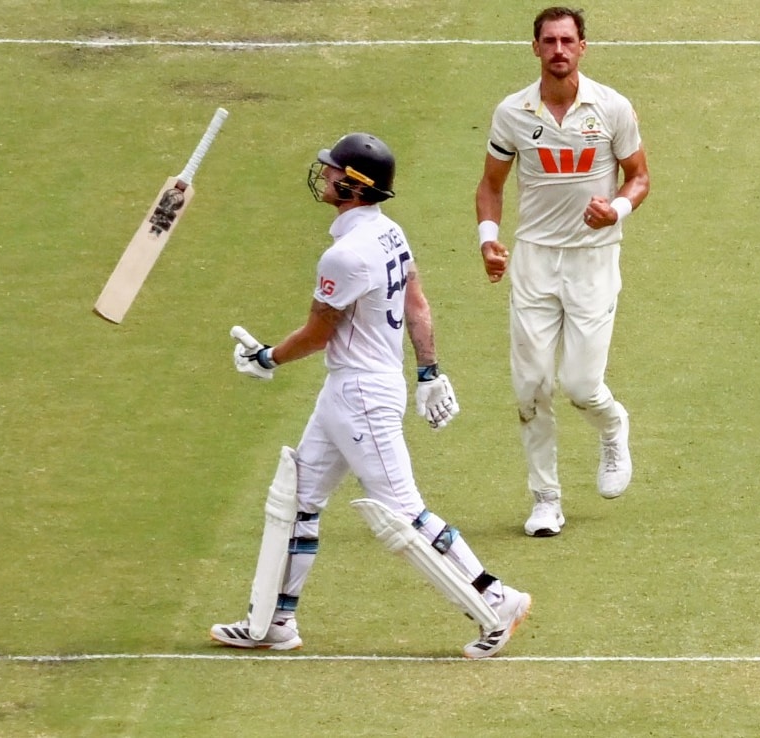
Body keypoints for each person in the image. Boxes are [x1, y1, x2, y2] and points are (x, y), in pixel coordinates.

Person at [210, 132, 531, 658]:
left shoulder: (345, 256)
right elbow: (417, 303)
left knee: (404, 513)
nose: (325, 175)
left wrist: (267, 357)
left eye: (334, 171)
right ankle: (274, 621)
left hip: (360, 395)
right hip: (352, 389)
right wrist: (428, 371)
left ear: (354, 186)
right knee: (298, 500)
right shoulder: (389, 233)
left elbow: (318, 334)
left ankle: (497, 599)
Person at [475, 6, 651, 537]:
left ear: (582, 47)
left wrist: (615, 210)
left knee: (580, 384)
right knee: (530, 386)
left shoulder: (612, 107)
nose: (558, 50)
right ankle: (545, 499)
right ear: (535, 48)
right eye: (549, 41)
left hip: (593, 261)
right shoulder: (512, 113)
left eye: (567, 40)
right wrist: (489, 240)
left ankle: (612, 424)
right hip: (534, 260)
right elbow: (490, 185)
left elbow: (639, 177)